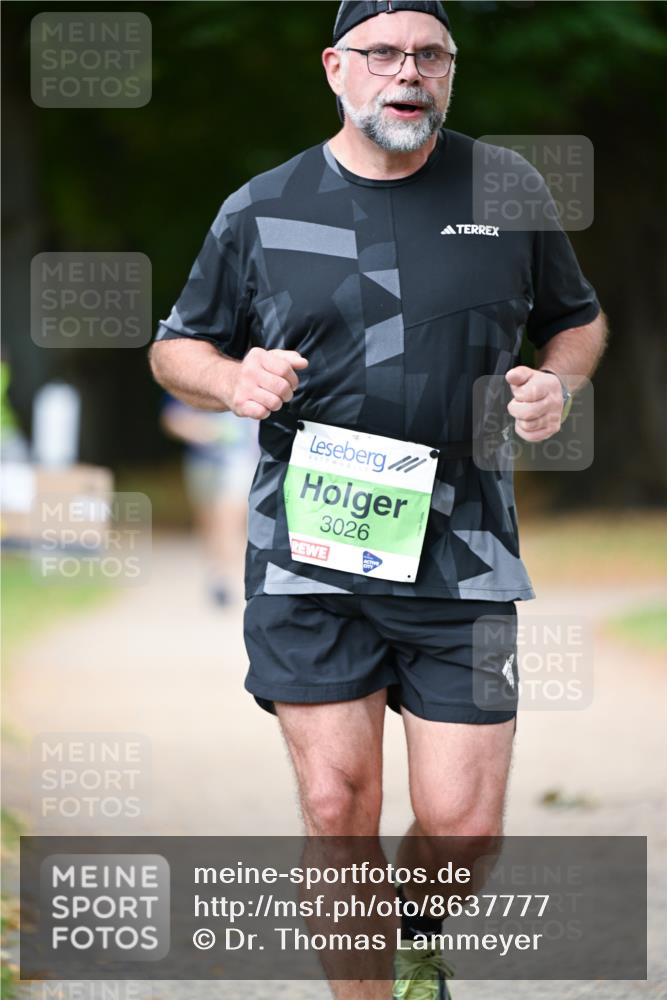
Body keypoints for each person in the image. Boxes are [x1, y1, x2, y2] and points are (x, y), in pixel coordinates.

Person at [149, 2, 608, 996]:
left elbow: (577, 319)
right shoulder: (261, 208)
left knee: (464, 827)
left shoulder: (505, 186)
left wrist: (557, 383)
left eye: (430, 55)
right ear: (335, 68)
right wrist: (232, 382)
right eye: (384, 54)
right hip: (309, 547)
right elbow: (176, 341)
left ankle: (407, 938)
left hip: (467, 549)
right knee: (334, 800)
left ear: (449, 71)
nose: (408, 72)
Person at [160, 395, 258, 604]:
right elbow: (172, 418)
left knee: (230, 520)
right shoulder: (195, 369)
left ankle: (231, 580)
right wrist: (204, 430)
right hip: (202, 461)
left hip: (239, 461)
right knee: (207, 523)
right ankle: (217, 572)